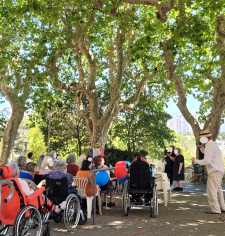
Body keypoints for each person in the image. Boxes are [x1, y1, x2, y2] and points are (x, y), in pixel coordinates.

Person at [191, 129, 225, 214]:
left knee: (211, 191)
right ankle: (222, 207)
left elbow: (206, 161)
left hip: (214, 170)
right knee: (218, 190)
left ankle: (215, 209)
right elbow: (208, 154)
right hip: (219, 170)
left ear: (206, 138)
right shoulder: (212, 144)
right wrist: (201, 148)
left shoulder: (209, 146)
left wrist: (195, 160)